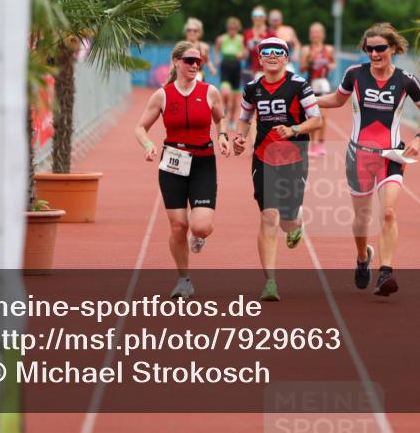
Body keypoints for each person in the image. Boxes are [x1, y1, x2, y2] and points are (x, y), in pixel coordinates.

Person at [316, 23, 420, 297]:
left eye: (380, 48)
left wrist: (419, 138)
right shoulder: (354, 74)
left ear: (392, 49)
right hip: (358, 155)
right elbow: (336, 100)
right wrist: (304, 99)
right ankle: (361, 257)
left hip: (392, 154)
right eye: (370, 49)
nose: (375, 53)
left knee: (389, 213)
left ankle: (386, 272)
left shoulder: (406, 80)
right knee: (362, 217)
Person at [134, 41, 230, 299]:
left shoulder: (209, 91)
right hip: (173, 162)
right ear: (176, 62)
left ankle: (199, 237)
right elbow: (140, 127)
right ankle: (184, 280)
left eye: (198, 61)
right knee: (178, 226)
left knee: (199, 226)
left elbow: (220, 118)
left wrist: (222, 137)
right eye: (189, 60)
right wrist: (148, 144)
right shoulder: (162, 95)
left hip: (203, 163)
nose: (194, 65)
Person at [233, 37, 323, 301]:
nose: (272, 56)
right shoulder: (252, 88)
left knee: (286, 221)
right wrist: (239, 138)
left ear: (286, 58)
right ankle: (270, 282)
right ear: (259, 59)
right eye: (266, 52)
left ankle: (296, 224)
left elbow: (317, 120)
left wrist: (294, 129)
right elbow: (244, 120)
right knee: (268, 217)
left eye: (278, 52)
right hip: (263, 157)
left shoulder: (299, 85)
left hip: (294, 158)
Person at [301, 22, 336, 157]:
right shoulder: (306, 50)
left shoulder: (329, 49)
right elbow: (302, 68)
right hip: (311, 84)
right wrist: (309, 61)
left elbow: (333, 64)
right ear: (310, 35)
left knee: (324, 116)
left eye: (318, 32)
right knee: (312, 115)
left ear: (323, 34)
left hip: (323, 84)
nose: (315, 35)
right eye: (313, 32)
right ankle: (312, 144)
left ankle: (320, 144)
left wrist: (327, 63)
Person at [214, 16, 246, 131]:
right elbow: (217, 49)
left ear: (237, 29)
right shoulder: (222, 39)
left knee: (235, 97)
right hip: (225, 66)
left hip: (236, 68)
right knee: (225, 92)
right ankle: (226, 108)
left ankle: (232, 120)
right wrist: (217, 58)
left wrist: (241, 55)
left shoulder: (241, 39)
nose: (232, 30)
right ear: (227, 28)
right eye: (230, 28)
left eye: (234, 28)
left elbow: (245, 53)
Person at [243, 6, 275, 85]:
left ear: (265, 17)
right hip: (250, 70)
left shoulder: (270, 33)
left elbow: (275, 54)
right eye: (255, 15)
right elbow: (245, 52)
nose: (257, 18)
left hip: (265, 71)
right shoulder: (247, 33)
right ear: (252, 17)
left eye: (260, 15)